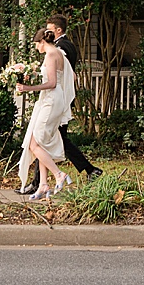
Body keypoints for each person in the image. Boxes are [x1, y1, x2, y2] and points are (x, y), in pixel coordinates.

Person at [13, 29, 77, 200]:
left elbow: (52, 83)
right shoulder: (59, 53)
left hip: (51, 101)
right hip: (54, 99)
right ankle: (42, 185)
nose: (36, 48)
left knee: (35, 144)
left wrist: (28, 88)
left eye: (36, 44)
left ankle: (59, 174)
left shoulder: (50, 54)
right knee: (43, 143)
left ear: (42, 41)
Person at [39, 15, 101, 182]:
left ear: (58, 30)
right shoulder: (63, 45)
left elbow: (67, 71)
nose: (46, 34)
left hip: (59, 99)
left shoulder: (62, 47)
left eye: (49, 30)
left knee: (44, 139)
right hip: (59, 98)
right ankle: (90, 170)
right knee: (55, 138)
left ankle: (39, 182)